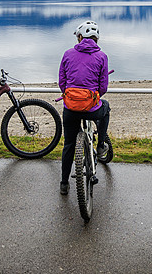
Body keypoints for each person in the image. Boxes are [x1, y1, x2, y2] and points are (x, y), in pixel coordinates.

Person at [57, 20, 111, 195]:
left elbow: (62, 83)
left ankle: (64, 183)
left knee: (69, 145)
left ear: (80, 37)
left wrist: (71, 96)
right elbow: (103, 87)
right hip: (92, 108)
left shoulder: (67, 53)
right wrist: (93, 98)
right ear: (96, 39)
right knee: (106, 108)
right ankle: (101, 143)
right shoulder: (102, 56)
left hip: (70, 107)